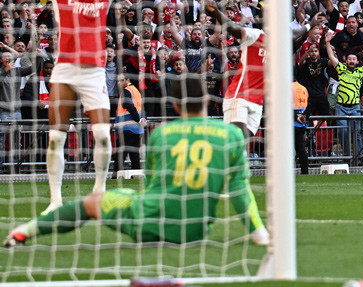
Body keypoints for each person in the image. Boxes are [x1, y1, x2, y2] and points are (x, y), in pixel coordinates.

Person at [4, 74, 270, 247]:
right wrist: (259, 233)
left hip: (150, 221)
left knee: (93, 202)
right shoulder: (231, 135)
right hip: (194, 231)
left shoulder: (164, 134)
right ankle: (259, 235)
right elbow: (239, 191)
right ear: (208, 100)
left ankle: (24, 232)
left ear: (175, 106)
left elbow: (153, 183)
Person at [18, 0, 160, 214]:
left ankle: (99, 192)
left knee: (99, 134)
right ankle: (55, 199)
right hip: (66, 70)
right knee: (56, 137)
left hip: (95, 72)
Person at [204, 2, 265, 142]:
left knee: (242, 143)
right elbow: (232, 27)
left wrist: (309, 26)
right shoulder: (255, 35)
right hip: (239, 97)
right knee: (235, 140)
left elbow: (293, 37)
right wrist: (214, 11)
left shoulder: (278, 42)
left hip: (257, 102)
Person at [328, 42, 363, 165]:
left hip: (355, 107)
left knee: (358, 133)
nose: (351, 61)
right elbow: (331, 57)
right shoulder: (341, 69)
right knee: (343, 132)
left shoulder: (361, 71)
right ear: (346, 61)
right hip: (341, 107)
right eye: (349, 59)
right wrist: (328, 42)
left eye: (354, 59)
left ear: (357, 62)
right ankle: (347, 157)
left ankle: (360, 157)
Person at [113, 74, 145, 173]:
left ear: (128, 80)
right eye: (118, 81)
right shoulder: (135, 91)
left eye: (121, 81)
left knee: (120, 154)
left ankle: (116, 175)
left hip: (127, 128)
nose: (119, 83)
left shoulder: (126, 91)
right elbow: (141, 107)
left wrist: (138, 119)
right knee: (134, 154)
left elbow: (128, 105)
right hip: (136, 128)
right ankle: (136, 174)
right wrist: (142, 119)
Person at [292, 81, 310, 175]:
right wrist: (305, 116)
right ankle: (305, 173)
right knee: (301, 150)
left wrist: (296, 117)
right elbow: (309, 105)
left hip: (289, 124)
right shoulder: (303, 88)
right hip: (301, 124)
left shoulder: (285, 87)